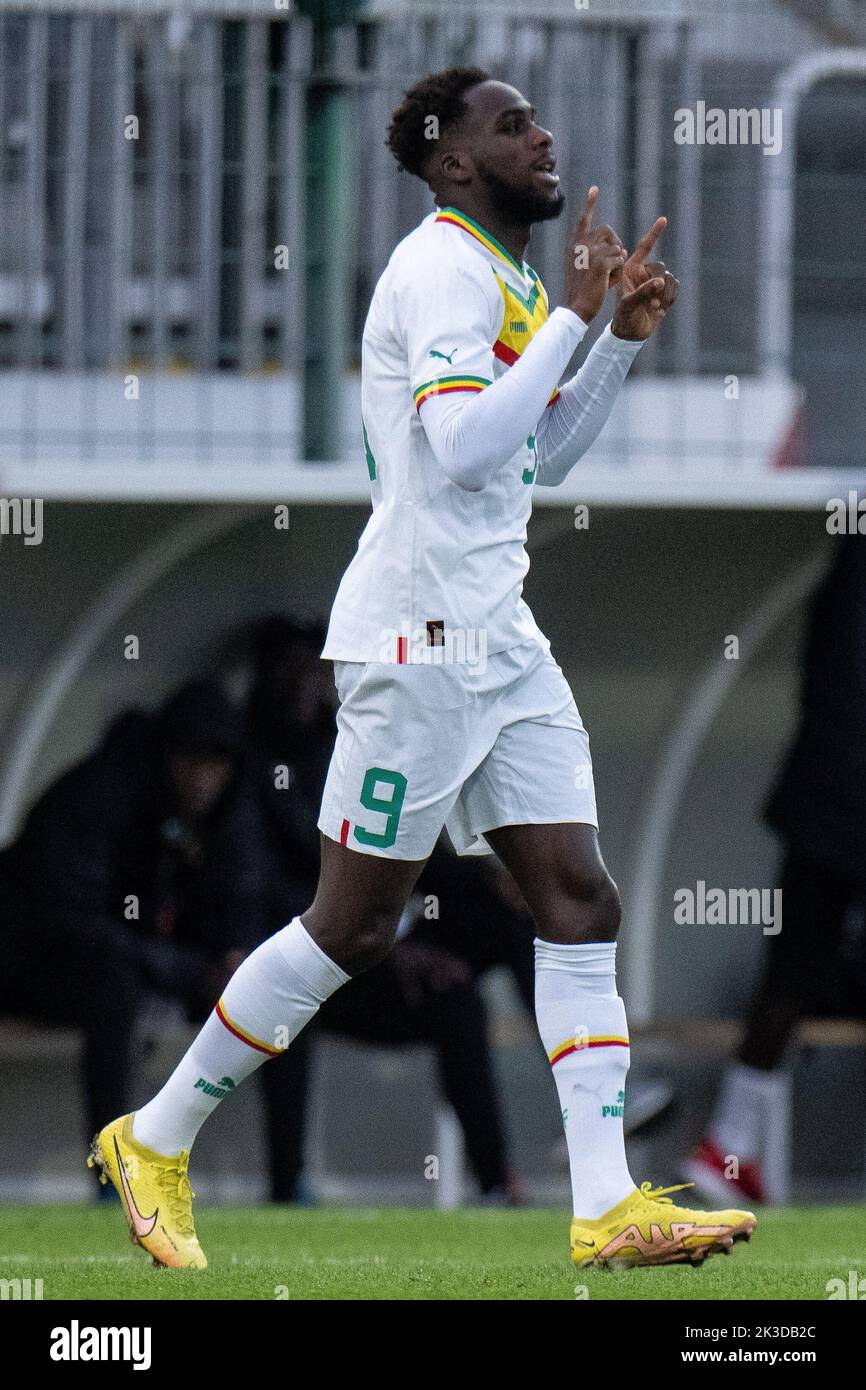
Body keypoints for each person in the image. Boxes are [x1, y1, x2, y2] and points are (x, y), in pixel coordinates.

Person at [90, 67, 755, 1271]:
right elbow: (455, 449)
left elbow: (531, 459)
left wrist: (612, 342)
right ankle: (155, 1132)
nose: (540, 135)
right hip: (417, 640)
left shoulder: (498, 275)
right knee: (352, 929)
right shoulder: (438, 265)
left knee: (577, 898)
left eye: (537, 119)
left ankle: (603, 1203)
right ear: (451, 159)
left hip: (497, 635)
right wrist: (570, 315)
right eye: (510, 125)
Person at [0, 682, 249, 1165]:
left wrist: (229, 957)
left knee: (267, 991)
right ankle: (112, 1169)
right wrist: (185, 967)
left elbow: (237, 894)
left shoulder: (220, 818)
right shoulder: (100, 795)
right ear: (166, 754)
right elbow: (68, 918)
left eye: (217, 763)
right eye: (192, 758)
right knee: (115, 985)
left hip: (127, 966)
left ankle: (280, 1179)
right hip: (24, 957)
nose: (204, 777)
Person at [686, 535, 866, 1205]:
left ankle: (729, 1146)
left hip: (821, 796)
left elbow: (822, 673)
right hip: (835, 793)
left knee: (790, 974)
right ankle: (730, 1147)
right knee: (792, 973)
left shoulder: (846, 561)